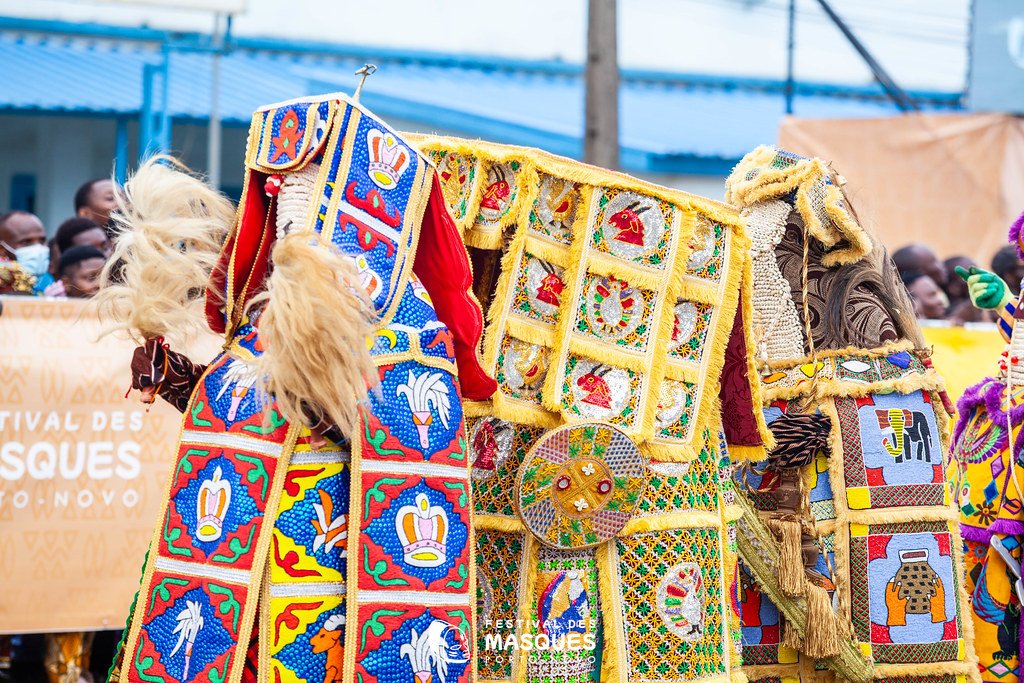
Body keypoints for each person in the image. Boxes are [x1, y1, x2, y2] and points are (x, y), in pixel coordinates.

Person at [0, 211, 63, 296]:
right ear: (2, 250)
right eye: (26, 242)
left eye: (42, 241)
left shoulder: (53, 283)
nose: (38, 248)